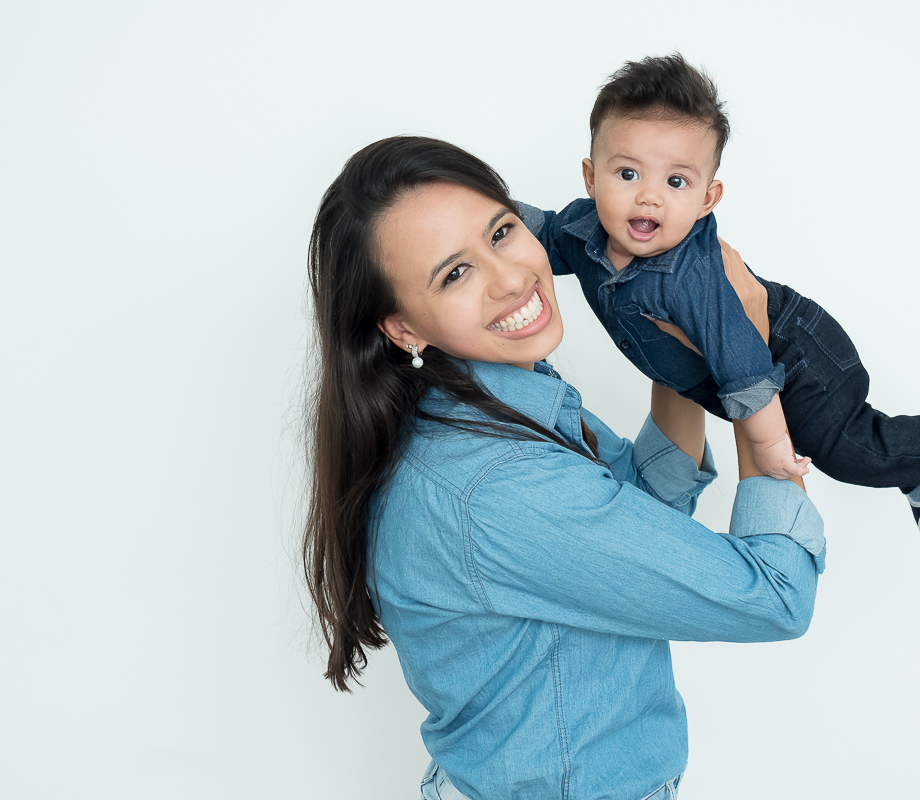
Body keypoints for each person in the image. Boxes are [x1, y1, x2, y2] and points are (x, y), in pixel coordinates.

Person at [303, 135, 827, 800]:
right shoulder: (501, 487)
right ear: (403, 327)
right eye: (455, 274)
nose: (511, 278)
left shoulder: (485, 399)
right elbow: (774, 598)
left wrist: (683, 333)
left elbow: (640, 507)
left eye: (502, 231)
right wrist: (744, 355)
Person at [519, 54, 920, 538]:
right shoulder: (581, 231)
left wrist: (770, 447)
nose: (650, 196)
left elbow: (744, 364)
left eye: (676, 181)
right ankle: (919, 472)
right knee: (853, 445)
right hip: (754, 369)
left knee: (847, 449)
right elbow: (531, 231)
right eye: (628, 174)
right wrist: (480, 202)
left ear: (707, 199)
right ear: (591, 178)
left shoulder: (689, 277)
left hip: (794, 352)